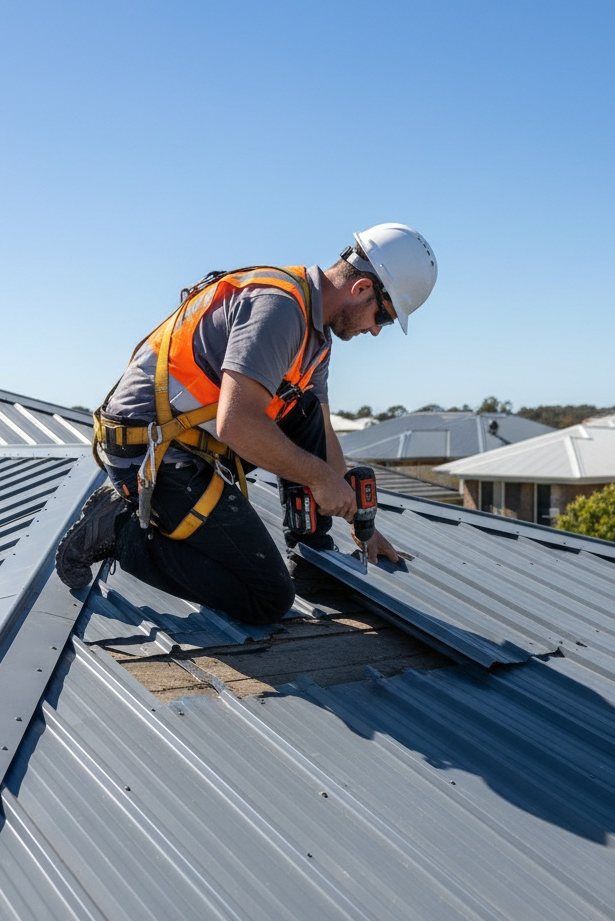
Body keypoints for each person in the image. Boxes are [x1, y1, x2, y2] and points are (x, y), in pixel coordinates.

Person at [55, 223, 438, 624]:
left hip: (196, 439)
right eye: (384, 317)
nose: (376, 329)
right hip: (151, 448)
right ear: (361, 288)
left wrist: (362, 522)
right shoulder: (279, 308)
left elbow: (320, 430)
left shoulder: (317, 338)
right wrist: (322, 479)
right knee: (267, 599)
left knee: (303, 406)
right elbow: (237, 424)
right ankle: (118, 529)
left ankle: (311, 555)